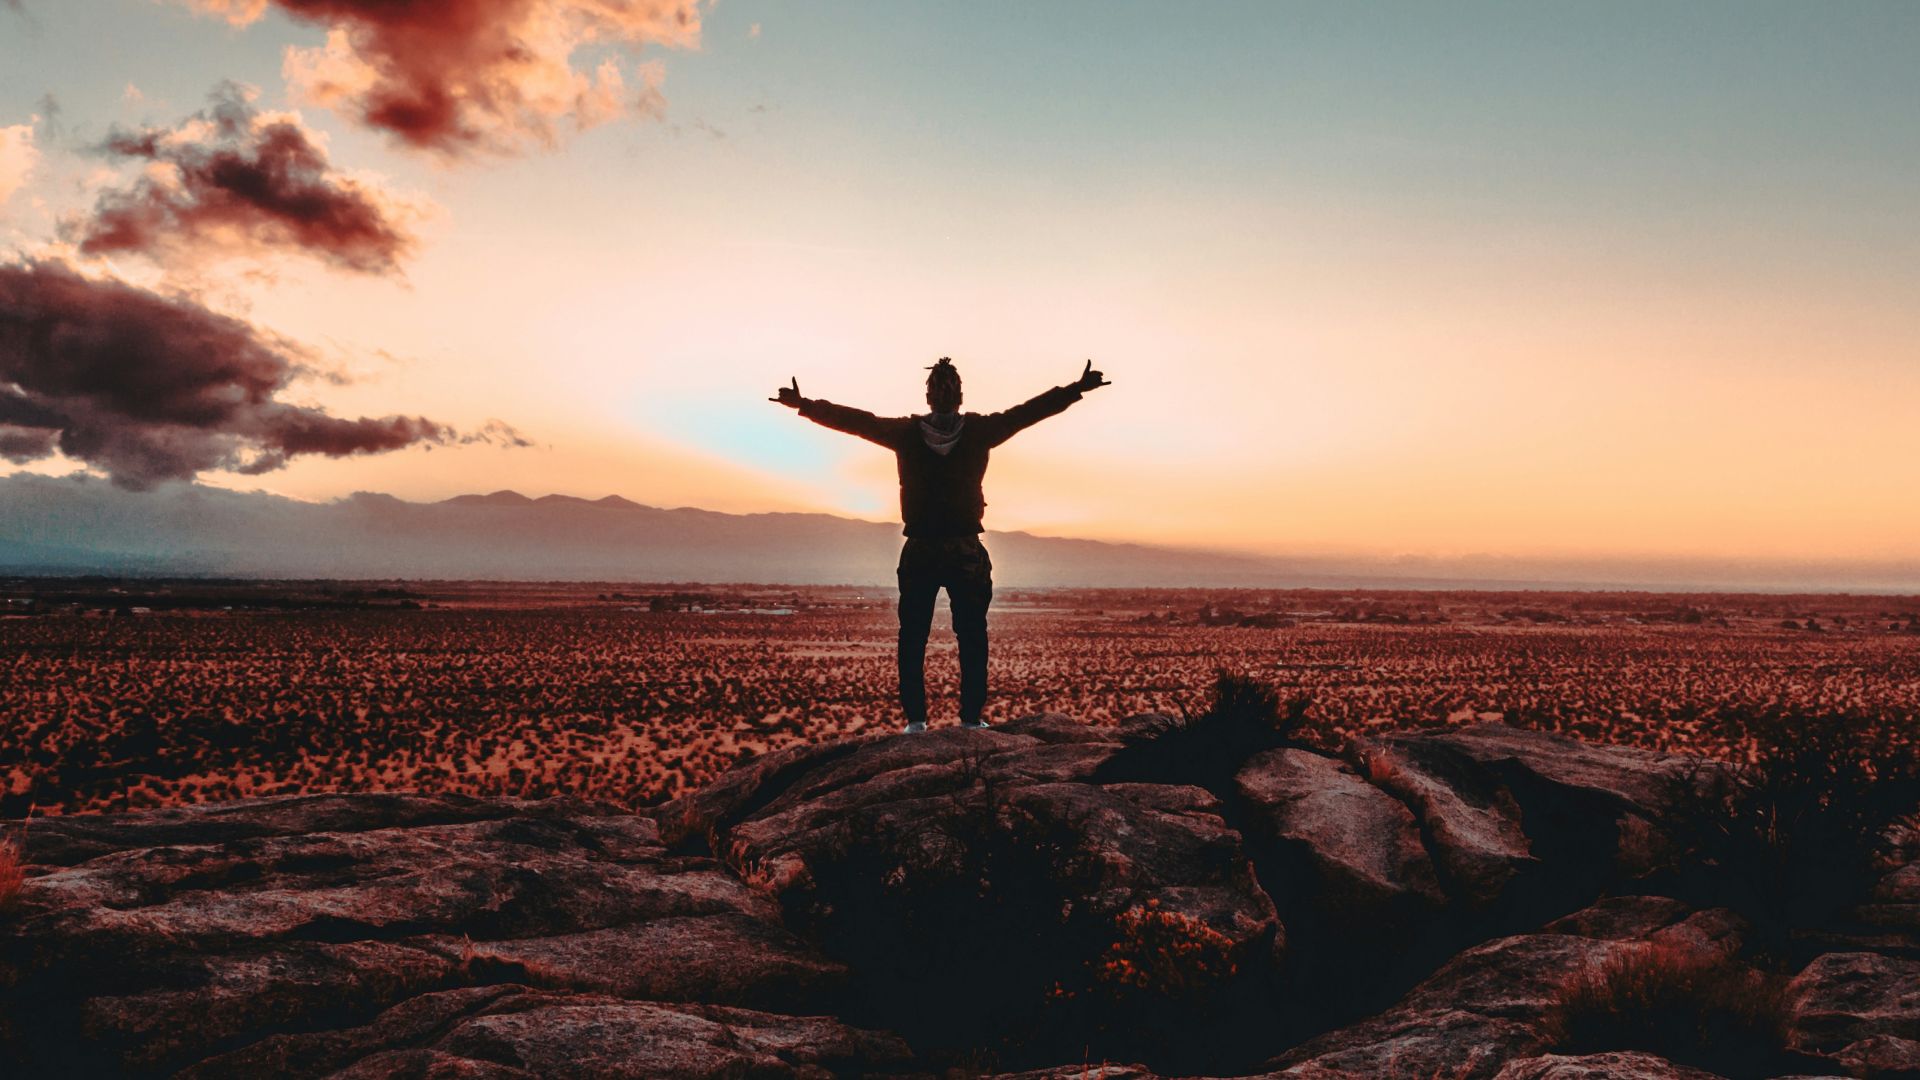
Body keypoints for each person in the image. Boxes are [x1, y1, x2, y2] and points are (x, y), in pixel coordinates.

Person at [773, 357, 1110, 732]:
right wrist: (1075, 389)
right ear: (960, 396)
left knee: (913, 636)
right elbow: (1026, 413)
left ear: (928, 396)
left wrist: (805, 406)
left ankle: (916, 721)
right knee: (972, 635)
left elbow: (858, 421)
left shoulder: (906, 433)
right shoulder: (979, 431)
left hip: (921, 548)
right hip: (965, 549)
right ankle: (971, 719)